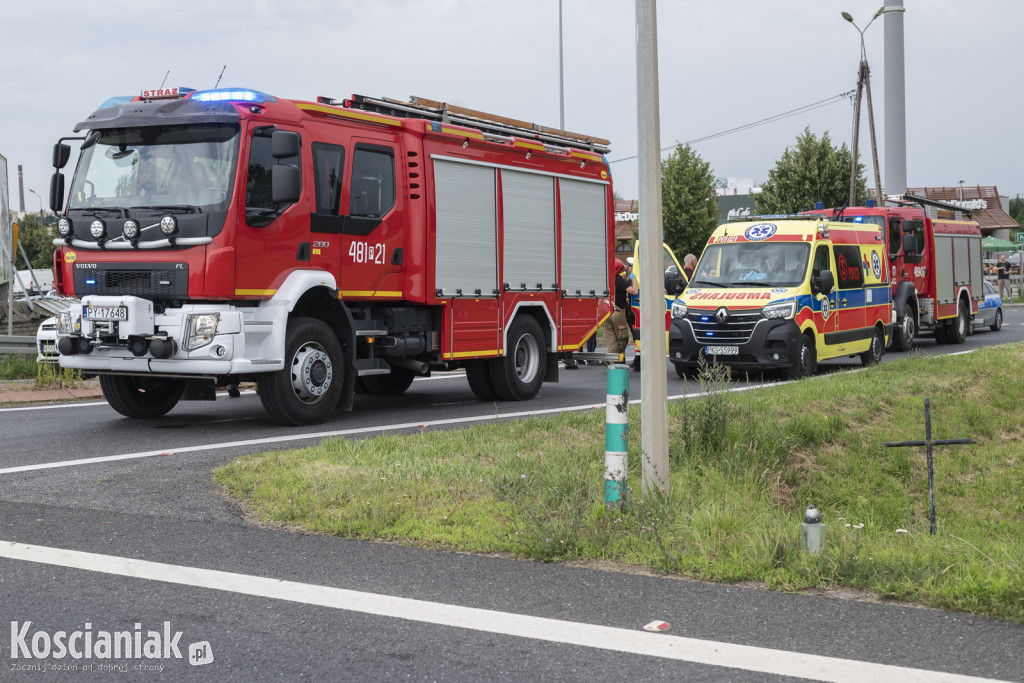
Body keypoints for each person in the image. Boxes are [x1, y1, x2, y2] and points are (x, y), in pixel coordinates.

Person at [602, 259, 639, 363]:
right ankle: (617, 360)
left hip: (607, 313)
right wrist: (634, 279)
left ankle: (610, 360)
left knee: (612, 338)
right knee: (622, 338)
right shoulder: (620, 281)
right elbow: (634, 291)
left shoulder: (606, 281)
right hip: (618, 313)